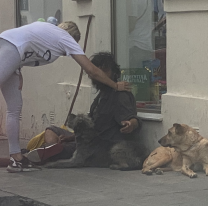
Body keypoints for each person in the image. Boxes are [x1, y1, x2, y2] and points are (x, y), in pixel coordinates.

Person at [0, 21, 130, 173]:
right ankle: (16, 159)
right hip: (10, 49)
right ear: (73, 37)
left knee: (15, 107)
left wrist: (17, 69)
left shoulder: (48, 32)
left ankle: (17, 159)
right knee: (14, 109)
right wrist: (115, 85)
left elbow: (25, 41)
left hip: (10, 50)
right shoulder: (65, 38)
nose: (64, 54)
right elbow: (91, 69)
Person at [26, 52, 142, 167]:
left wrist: (131, 124)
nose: (101, 75)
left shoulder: (120, 95)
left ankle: (46, 152)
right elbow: (91, 122)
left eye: (105, 70)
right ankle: (49, 149)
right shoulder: (101, 95)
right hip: (87, 138)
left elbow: (132, 118)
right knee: (51, 130)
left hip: (99, 146)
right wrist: (71, 137)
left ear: (114, 73)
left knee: (65, 151)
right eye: (98, 71)